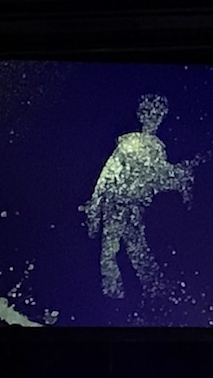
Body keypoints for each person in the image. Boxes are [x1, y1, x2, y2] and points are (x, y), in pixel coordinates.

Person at [81, 93, 203, 300]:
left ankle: (152, 286)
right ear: (142, 115)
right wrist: (95, 205)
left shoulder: (156, 148)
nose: (154, 118)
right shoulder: (129, 144)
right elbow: (108, 175)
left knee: (136, 246)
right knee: (111, 248)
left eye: (158, 114)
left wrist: (181, 176)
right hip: (116, 204)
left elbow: (158, 180)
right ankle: (112, 291)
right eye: (150, 113)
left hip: (134, 207)